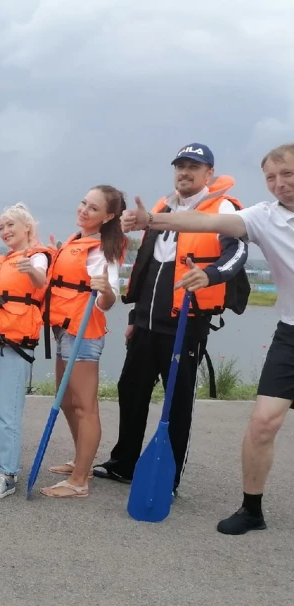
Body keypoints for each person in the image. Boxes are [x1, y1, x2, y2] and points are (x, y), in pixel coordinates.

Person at [121, 142, 294, 535]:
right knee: (263, 423)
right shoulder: (262, 217)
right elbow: (200, 224)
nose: (279, 184)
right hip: (291, 332)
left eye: (288, 174)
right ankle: (252, 510)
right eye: (271, 177)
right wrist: (151, 220)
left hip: (196, 324)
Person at [94, 143, 249, 495]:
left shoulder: (222, 208)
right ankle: (124, 464)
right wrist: (135, 315)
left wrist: (211, 274)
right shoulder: (162, 209)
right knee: (130, 390)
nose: (185, 172)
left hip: (186, 323)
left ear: (209, 173)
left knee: (176, 402)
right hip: (147, 322)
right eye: (180, 165)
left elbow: (237, 251)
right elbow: (149, 268)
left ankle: (169, 476)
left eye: (194, 166)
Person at [41, 185, 127, 498]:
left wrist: (104, 289)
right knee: (66, 400)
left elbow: (108, 300)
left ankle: (79, 482)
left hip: (84, 332)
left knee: (85, 406)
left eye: (93, 208)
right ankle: (82, 462)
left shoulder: (105, 249)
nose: (83, 210)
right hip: (64, 328)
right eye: (83, 203)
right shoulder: (77, 240)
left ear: (108, 216)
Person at [0, 203, 51, 498]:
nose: (6, 231)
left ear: (27, 228)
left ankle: (8, 475)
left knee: (9, 412)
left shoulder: (38, 258)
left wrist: (31, 270)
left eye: (11, 226)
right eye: (1, 227)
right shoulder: (3, 260)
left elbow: (41, 281)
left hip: (16, 343)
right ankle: (3, 463)